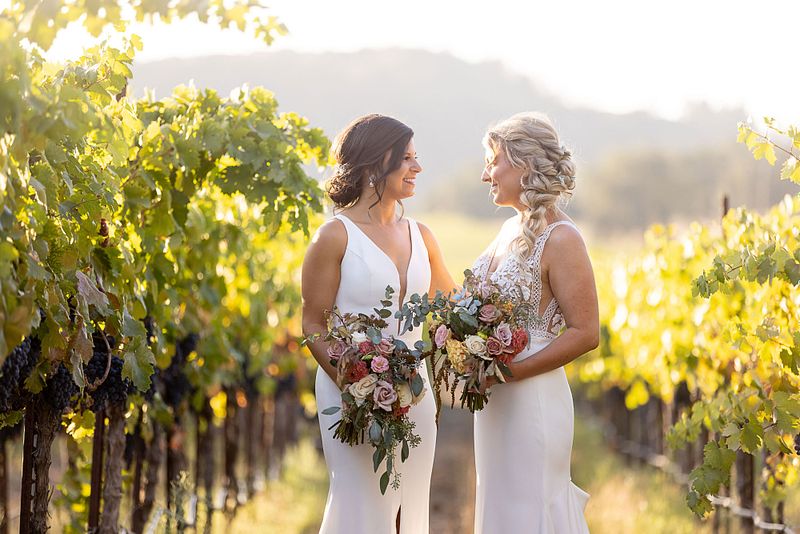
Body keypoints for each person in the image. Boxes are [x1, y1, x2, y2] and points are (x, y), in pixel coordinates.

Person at [301, 114, 455, 534]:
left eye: (416, 157)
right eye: (406, 158)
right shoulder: (334, 237)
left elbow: (454, 304)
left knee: (410, 503)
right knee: (362, 503)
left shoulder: (422, 235)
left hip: (415, 392)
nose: (417, 167)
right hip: (350, 394)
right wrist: (358, 386)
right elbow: (313, 324)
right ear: (374, 164)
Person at [472, 112, 598, 533]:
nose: (486, 174)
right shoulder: (509, 229)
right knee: (500, 507)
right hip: (495, 403)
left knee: (531, 509)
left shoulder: (563, 238)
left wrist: (510, 372)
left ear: (523, 163)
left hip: (533, 400)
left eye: (493, 161)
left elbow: (586, 333)